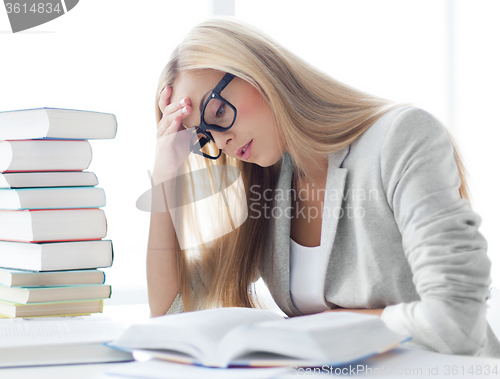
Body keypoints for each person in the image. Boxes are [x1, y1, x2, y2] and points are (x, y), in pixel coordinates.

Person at [146, 17, 500, 357]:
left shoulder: (400, 137)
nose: (222, 141)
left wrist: (321, 328)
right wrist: (165, 179)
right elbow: (171, 314)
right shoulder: (267, 186)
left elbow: (457, 321)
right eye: (204, 136)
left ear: (260, 71)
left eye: (218, 111)